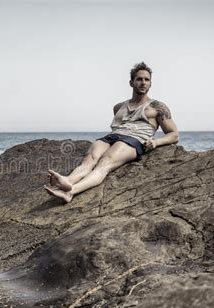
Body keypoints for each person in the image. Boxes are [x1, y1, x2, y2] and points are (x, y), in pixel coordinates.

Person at [44, 62, 179, 203]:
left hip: (134, 139)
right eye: (139, 79)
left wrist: (156, 142)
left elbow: (174, 134)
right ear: (131, 82)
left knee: (105, 162)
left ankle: (70, 192)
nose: (143, 83)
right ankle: (68, 181)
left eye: (146, 80)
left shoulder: (158, 107)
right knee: (90, 159)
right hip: (112, 136)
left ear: (151, 83)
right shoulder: (118, 107)